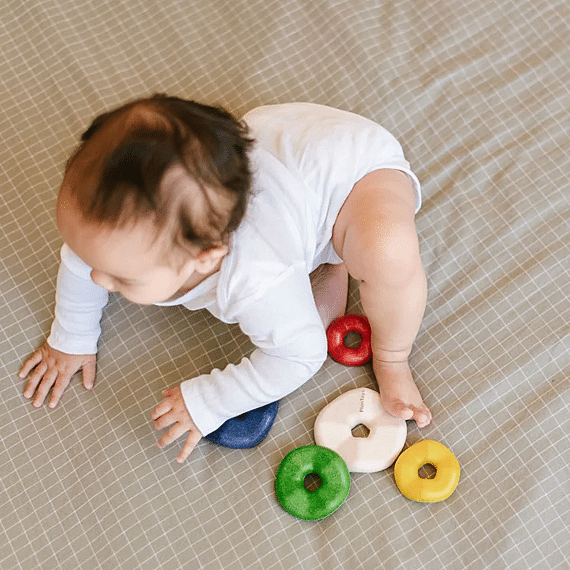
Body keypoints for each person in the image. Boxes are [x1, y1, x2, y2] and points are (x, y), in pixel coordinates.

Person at [18, 95, 432, 463]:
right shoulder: (116, 242)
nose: (94, 277)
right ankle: (327, 262)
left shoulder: (254, 278)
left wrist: (212, 400)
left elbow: (298, 357)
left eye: (120, 276)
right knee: (311, 273)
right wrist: (71, 336)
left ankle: (393, 355)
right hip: (281, 145)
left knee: (388, 253)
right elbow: (79, 264)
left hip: (352, 172)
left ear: (206, 256)